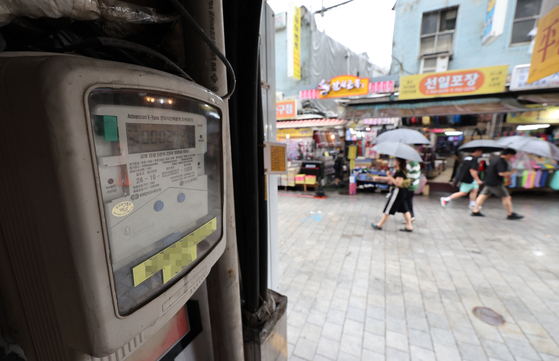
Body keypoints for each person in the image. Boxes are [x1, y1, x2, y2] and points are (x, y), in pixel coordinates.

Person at [471, 149, 523, 220]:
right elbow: (501, 173)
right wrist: (512, 172)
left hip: (488, 181)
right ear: (509, 154)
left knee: (483, 195)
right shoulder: (502, 162)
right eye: (512, 156)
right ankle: (510, 214)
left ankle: (475, 210)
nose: (512, 158)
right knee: (506, 197)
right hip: (495, 183)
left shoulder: (494, 160)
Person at [371, 158, 414, 232]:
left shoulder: (400, 172)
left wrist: (389, 176)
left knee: (388, 208)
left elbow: (398, 183)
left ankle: (380, 224)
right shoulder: (399, 171)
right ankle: (409, 226)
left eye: (395, 160)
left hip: (398, 192)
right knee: (405, 209)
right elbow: (391, 179)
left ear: (399, 162)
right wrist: (379, 178)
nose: (394, 161)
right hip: (402, 192)